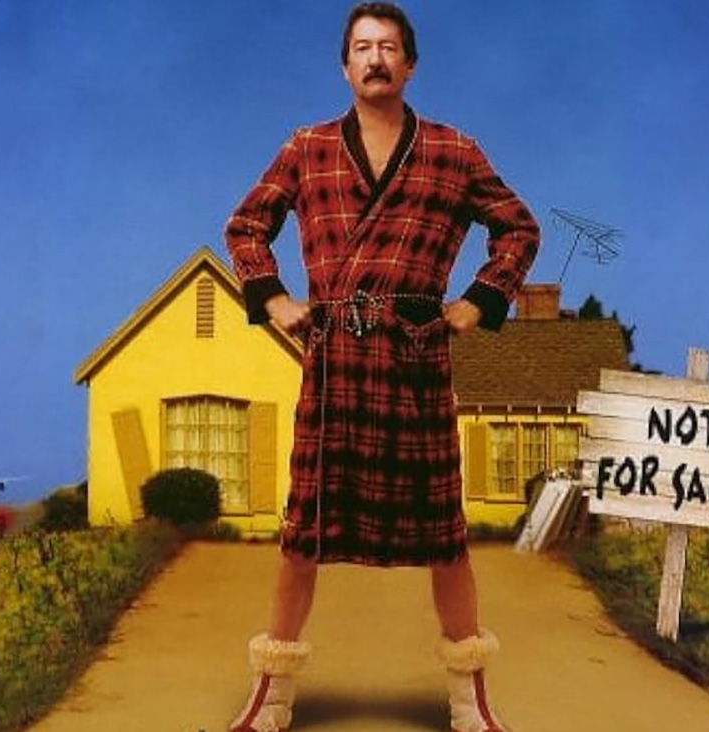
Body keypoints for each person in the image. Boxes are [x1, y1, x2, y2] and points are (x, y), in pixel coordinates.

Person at [223, 4, 539, 731]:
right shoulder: (305, 148)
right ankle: (272, 695)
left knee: (447, 539)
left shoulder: (455, 152)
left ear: (410, 65)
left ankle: (470, 700)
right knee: (302, 536)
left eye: (389, 47)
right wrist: (271, 298)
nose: (376, 59)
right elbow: (246, 227)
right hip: (334, 370)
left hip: (415, 363)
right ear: (345, 65)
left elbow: (519, 228)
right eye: (362, 47)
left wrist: (478, 301)